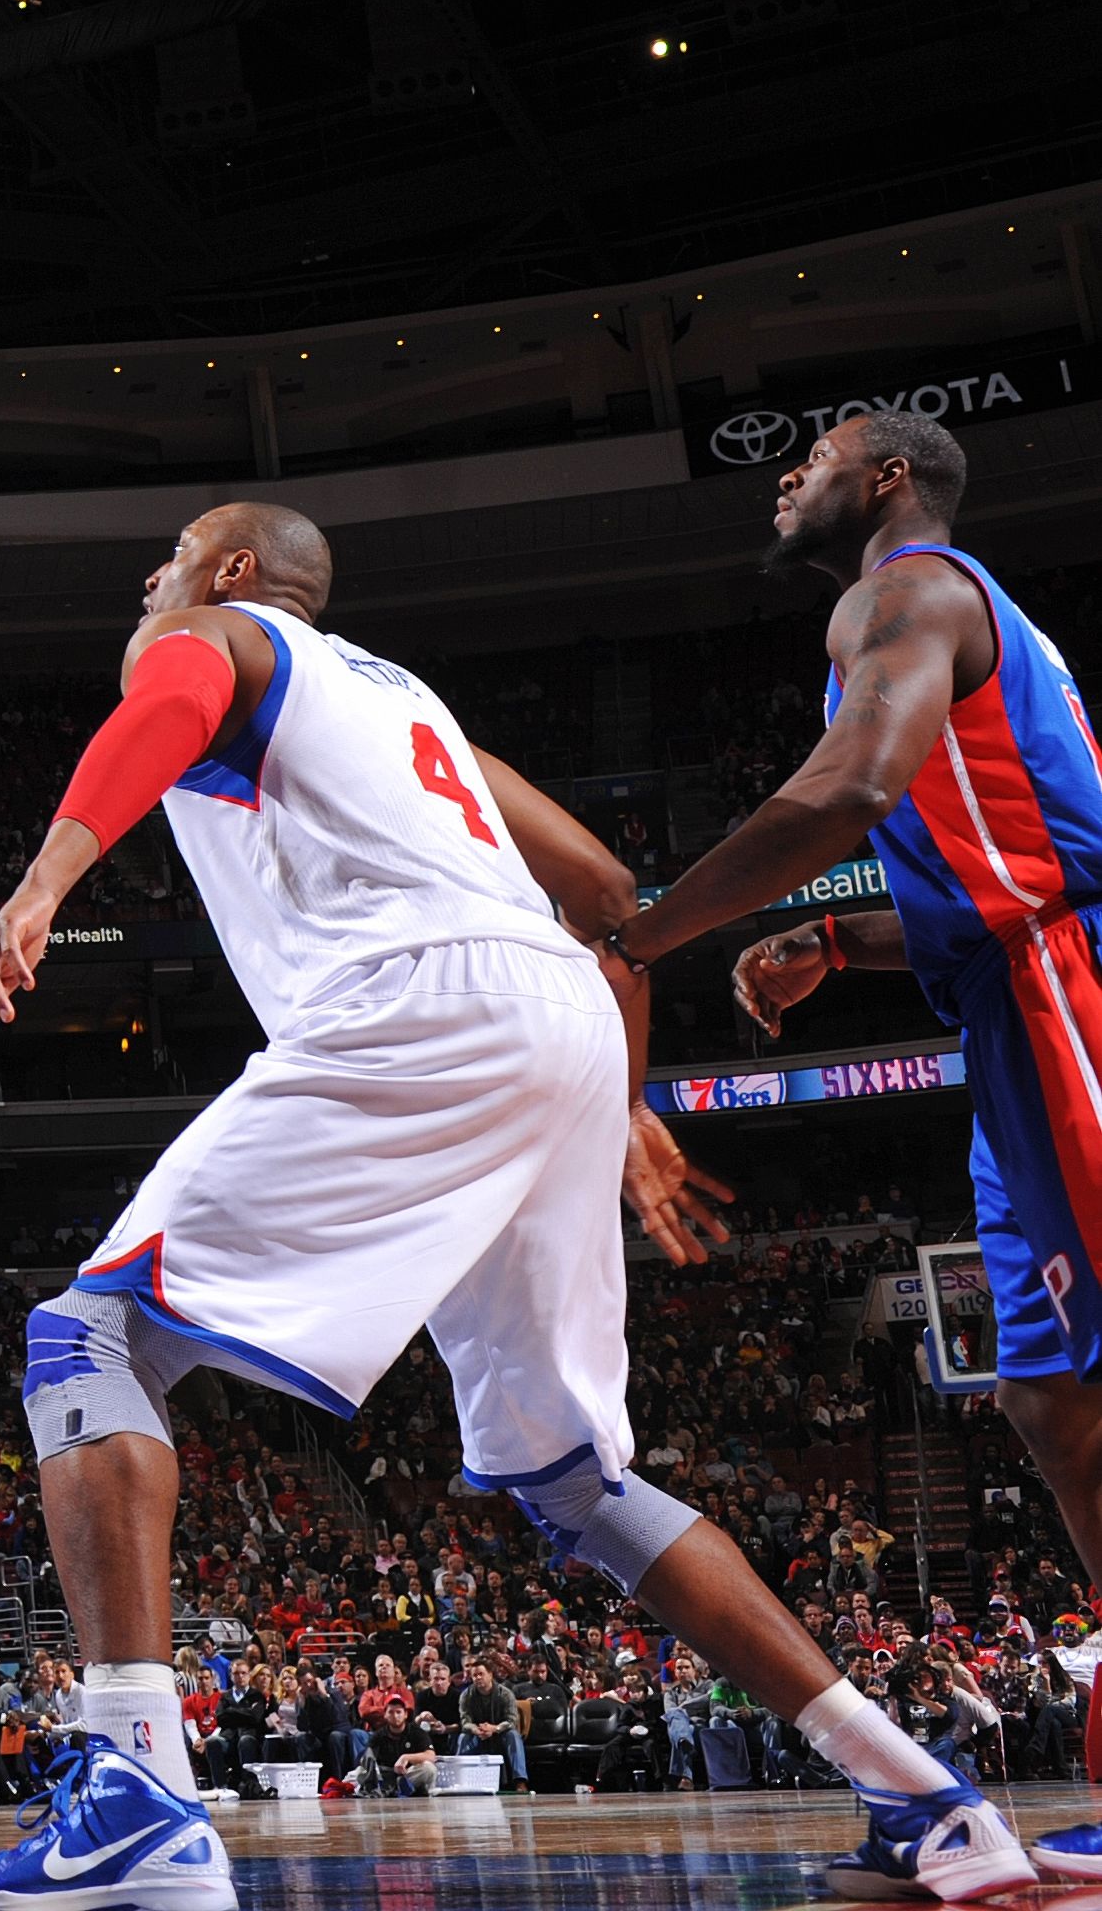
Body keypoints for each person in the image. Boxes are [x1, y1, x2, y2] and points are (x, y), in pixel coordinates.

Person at [0, 500, 1031, 1909]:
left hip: (415, 1003)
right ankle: (923, 1798)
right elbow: (612, 892)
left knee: (93, 1340)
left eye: (175, 555)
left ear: (236, 572)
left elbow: (178, 689)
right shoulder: (411, 703)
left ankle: (134, 1790)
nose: (152, 579)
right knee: (578, 1480)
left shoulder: (210, 637)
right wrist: (611, 1100)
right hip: (548, 1012)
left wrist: (42, 883)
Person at [615, 411, 1102, 1885]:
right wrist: (834, 931)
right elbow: (984, 872)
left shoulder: (905, 591)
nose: (785, 474)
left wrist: (633, 942)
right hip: (1009, 1000)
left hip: (1068, 997)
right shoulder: (945, 609)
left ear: (887, 478)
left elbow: (846, 791)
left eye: (815, 452)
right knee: (1047, 1402)